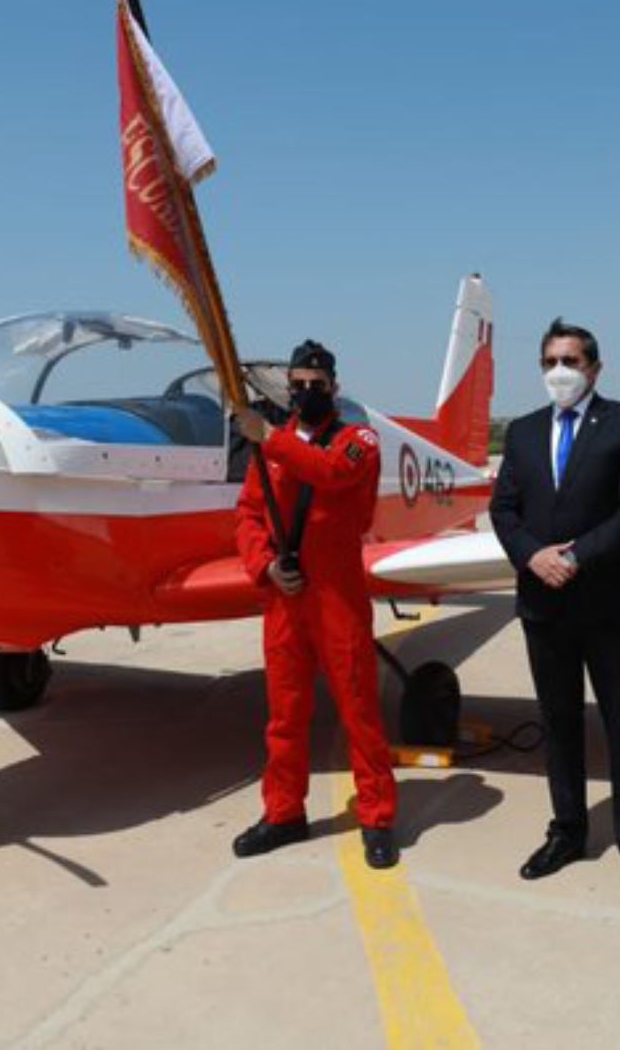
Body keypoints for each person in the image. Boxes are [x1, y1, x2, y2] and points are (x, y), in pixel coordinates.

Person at [490, 318, 620, 896]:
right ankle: (567, 830)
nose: (559, 372)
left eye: (570, 361)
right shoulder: (523, 432)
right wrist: (532, 556)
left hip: (610, 603)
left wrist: (576, 556)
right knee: (558, 723)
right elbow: (504, 510)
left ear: (595, 368)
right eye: (549, 362)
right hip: (544, 604)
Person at [231, 339, 398, 869]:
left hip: (337, 597)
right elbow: (249, 514)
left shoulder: (358, 440)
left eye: (317, 385)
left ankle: (377, 817)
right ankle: (283, 813)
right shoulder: (270, 448)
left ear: (334, 387)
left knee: (359, 711)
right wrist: (265, 566)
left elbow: (329, 472)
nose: (307, 393)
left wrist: (268, 437)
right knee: (284, 716)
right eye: (298, 385)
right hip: (286, 598)